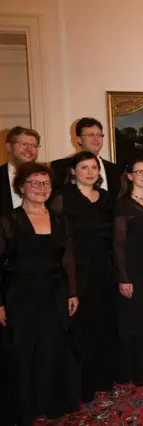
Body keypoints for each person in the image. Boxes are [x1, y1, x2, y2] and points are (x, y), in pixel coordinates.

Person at [0, 163, 79, 425]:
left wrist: (72, 292)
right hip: (19, 296)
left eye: (45, 183)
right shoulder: (7, 221)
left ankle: (51, 403)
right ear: (21, 186)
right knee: (23, 351)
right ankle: (26, 407)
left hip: (54, 293)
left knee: (52, 347)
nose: (41, 188)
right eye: (34, 183)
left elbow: (67, 259)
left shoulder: (59, 220)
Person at [49, 151, 117, 402]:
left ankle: (103, 377)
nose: (90, 172)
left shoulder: (107, 198)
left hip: (103, 270)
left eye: (94, 168)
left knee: (103, 324)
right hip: (75, 271)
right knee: (80, 328)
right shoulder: (62, 198)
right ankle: (82, 383)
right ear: (73, 171)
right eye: (84, 167)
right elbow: (58, 241)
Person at [113, 159, 143, 387]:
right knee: (134, 322)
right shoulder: (123, 205)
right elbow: (118, 245)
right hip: (133, 272)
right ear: (130, 176)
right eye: (139, 171)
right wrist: (124, 278)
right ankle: (135, 371)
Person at [50, 118, 122, 194]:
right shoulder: (60, 167)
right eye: (91, 135)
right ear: (79, 139)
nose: (96, 138)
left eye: (99, 135)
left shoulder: (114, 169)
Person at [0, 126, 40, 215]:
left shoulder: (47, 178)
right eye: (23, 144)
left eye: (34, 145)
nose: (29, 149)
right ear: (9, 147)